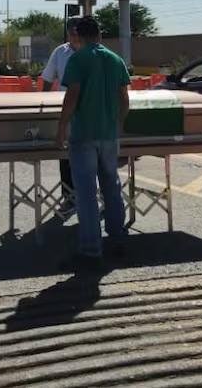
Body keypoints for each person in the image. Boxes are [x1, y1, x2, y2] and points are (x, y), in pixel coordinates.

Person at [55, 15, 131, 269]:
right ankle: (118, 238)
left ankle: (91, 249)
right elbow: (124, 99)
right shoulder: (115, 59)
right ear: (99, 34)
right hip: (109, 135)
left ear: (78, 35)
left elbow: (72, 95)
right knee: (111, 184)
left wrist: (61, 127)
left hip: (83, 134)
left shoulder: (78, 59)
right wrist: (116, 124)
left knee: (86, 192)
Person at [41, 17, 82, 214]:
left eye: (77, 31)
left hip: (89, 108)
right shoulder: (60, 52)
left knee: (90, 156)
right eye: (71, 32)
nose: (74, 35)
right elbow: (48, 78)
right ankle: (69, 197)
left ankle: (93, 196)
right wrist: (43, 102)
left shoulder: (93, 51)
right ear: (67, 33)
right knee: (66, 156)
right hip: (66, 107)